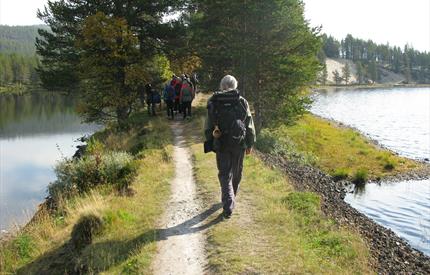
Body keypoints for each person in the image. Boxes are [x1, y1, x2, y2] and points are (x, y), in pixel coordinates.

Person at [204, 75, 256, 219]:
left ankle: (228, 203)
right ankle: (231, 198)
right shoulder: (242, 101)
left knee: (224, 173)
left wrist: (210, 141)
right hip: (239, 143)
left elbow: (208, 124)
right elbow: (249, 124)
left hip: (221, 143)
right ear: (235, 85)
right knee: (237, 172)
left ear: (222, 86)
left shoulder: (213, 101)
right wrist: (250, 143)